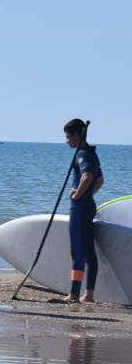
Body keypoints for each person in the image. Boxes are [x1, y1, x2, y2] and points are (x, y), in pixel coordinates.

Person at [62, 118, 104, 303]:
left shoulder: (81, 154)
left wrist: (77, 195)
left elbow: (87, 177)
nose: (66, 140)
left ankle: (73, 294)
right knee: (88, 252)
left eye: (68, 136)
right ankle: (89, 294)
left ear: (78, 135)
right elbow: (100, 180)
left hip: (79, 209)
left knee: (77, 251)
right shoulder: (91, 152)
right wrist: (87, 194)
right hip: (88, 206)